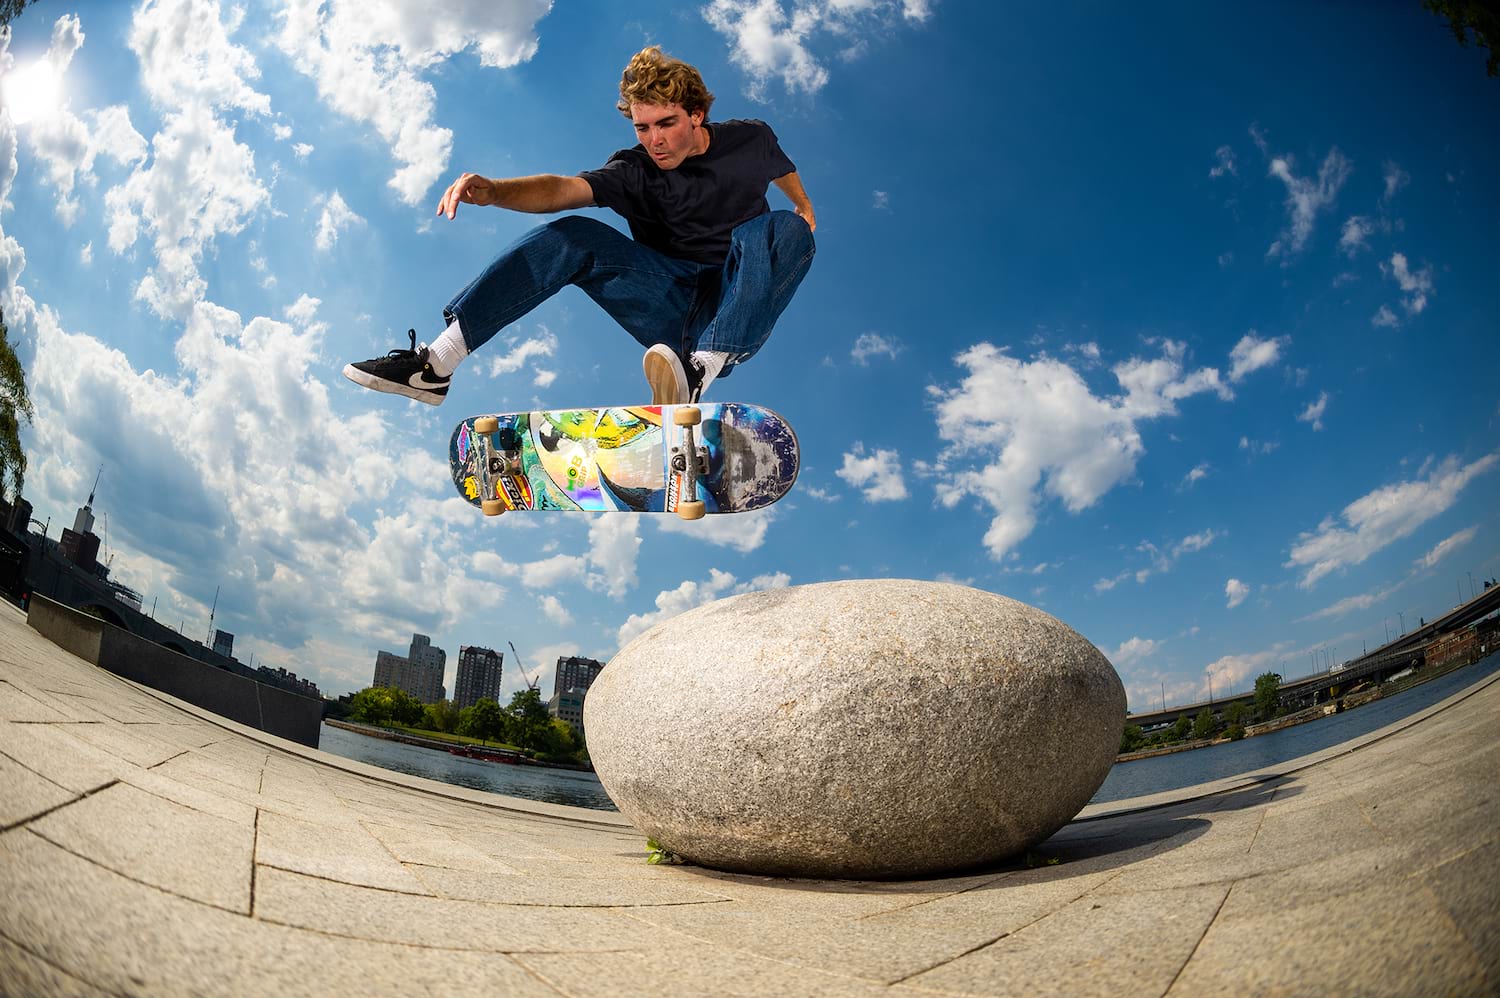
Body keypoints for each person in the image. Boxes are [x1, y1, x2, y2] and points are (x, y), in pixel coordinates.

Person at [343, 45, 816, 407]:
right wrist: (498, 192)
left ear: (697, 114)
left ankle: (702, 369)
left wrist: (804, 206)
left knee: (784, 229)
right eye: (641, 127)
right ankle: (436, 364)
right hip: (668, 299)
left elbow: (779, 166)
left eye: (666, 124)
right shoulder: (635, 171)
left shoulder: (750, 138)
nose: (654, 141)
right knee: (574, 234)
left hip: (736, 296)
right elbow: (562, 190)